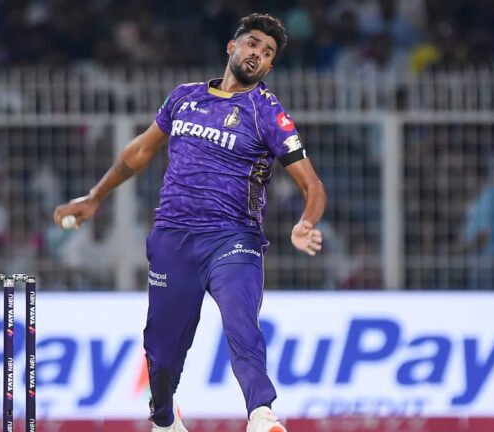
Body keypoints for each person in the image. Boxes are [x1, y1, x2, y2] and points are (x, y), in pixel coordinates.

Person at [53, 13, 326, 432]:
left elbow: (312, 185)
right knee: (162, 352)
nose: (257, 53)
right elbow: (140, 151)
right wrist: (94, 197)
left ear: (270, 67)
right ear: (232, 47)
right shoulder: (185, 97)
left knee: (241, 320)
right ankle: (164, 418)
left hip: (233, 237)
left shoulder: (267, 113)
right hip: (173, 238)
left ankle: (261, 413)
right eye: (252, 43)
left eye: (267, 52)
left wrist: (305, 222)